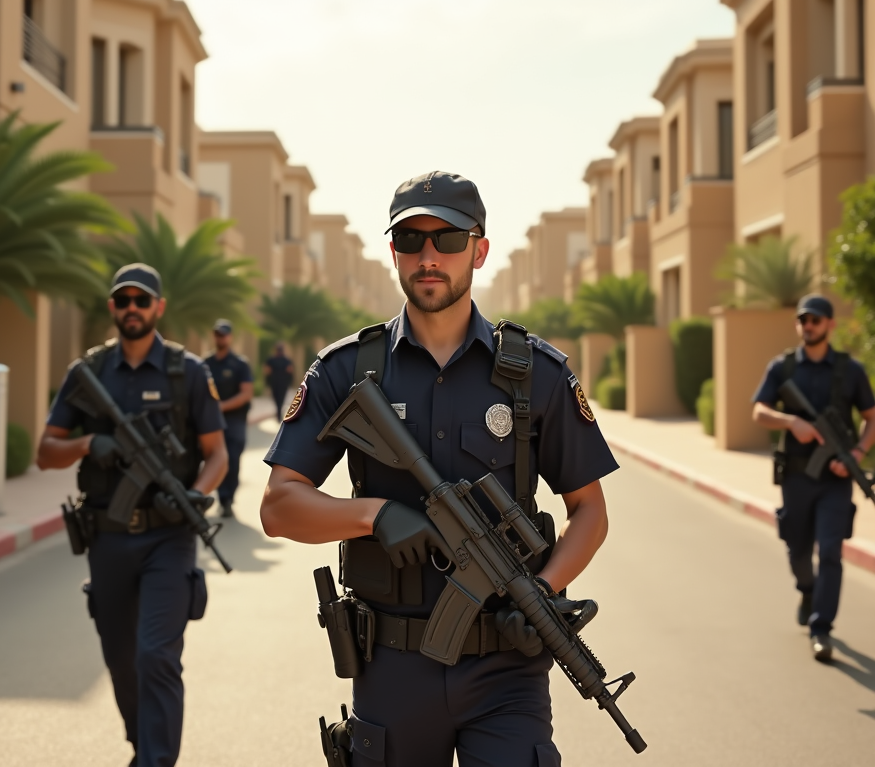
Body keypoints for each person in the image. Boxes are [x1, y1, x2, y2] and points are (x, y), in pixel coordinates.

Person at [259, 171, 618, 766]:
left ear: (478, 249)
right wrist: (374, 516)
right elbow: (278, 506)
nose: (429, 257)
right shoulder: (347, 371)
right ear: (393, 251)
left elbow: (590, 511)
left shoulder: (537, 374)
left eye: (448, 240)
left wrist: (546, 591)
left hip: (508, 669)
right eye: (411, 240)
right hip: (394, 665)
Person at [36, 263, 228, 767]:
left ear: (159, 308)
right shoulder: (89, 374)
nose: (133, 309)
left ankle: (155, 761)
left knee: (155, 657)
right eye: (123, 301)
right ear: (112, 308)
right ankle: (143, 746)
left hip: (170, 538)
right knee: (122, 661)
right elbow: (45, 452)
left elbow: (217, 454)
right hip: (108, 537)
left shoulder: (188, 372)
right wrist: (87, 443)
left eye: (142, 301)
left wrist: (194, 494)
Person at [752, 294, 875, 662]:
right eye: (804, 320)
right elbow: (759, 410)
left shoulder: (850, 371)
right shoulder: (784, 367)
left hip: (835, 479)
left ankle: (822, 630)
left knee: (832, 552)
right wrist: (791, 422)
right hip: (796, 476)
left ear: (830, 325)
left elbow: (872, 417)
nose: (809, 326)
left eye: (816, 320)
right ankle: (807, 589)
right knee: (798, 549)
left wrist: (856, 454)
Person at [205, 319, 254, 519]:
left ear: (230, 337)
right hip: (211, 421)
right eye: (217, 334)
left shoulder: (240, 364)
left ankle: (227, 499)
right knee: (213, 458)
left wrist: (221, 406)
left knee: (232, 460)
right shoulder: (206, 363)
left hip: (234, 421)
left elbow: (246, 394)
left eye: (224, 334)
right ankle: (217, 496)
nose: (220, 337)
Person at [264, 341, 294, 420]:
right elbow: (290, 371)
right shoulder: (286, 360)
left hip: (274, 382)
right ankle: (279, 411)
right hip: (283, 383)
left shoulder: (271, 360)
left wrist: (267, 382)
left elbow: (267, 371)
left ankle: (278, 411)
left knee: (276, 398)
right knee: (281, 398)